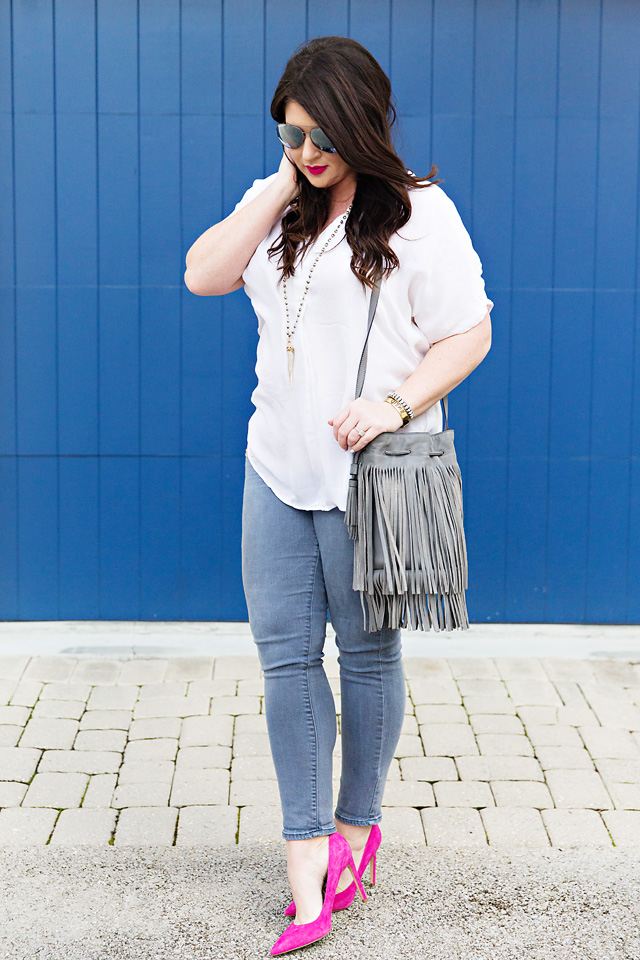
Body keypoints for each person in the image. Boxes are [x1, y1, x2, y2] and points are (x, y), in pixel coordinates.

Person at [184, 35, 493, 957]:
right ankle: (304, 852)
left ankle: (357, 828)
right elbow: (204, 272)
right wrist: (283, 186)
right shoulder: (280, 198)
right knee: (285, 661)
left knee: (365, 659)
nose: (307, 149)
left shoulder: (420, 215)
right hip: (276, 466)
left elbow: (469, 335)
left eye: (322, 134)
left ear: (364, 120)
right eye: (290, 132)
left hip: (379, 474)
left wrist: (396, 402)